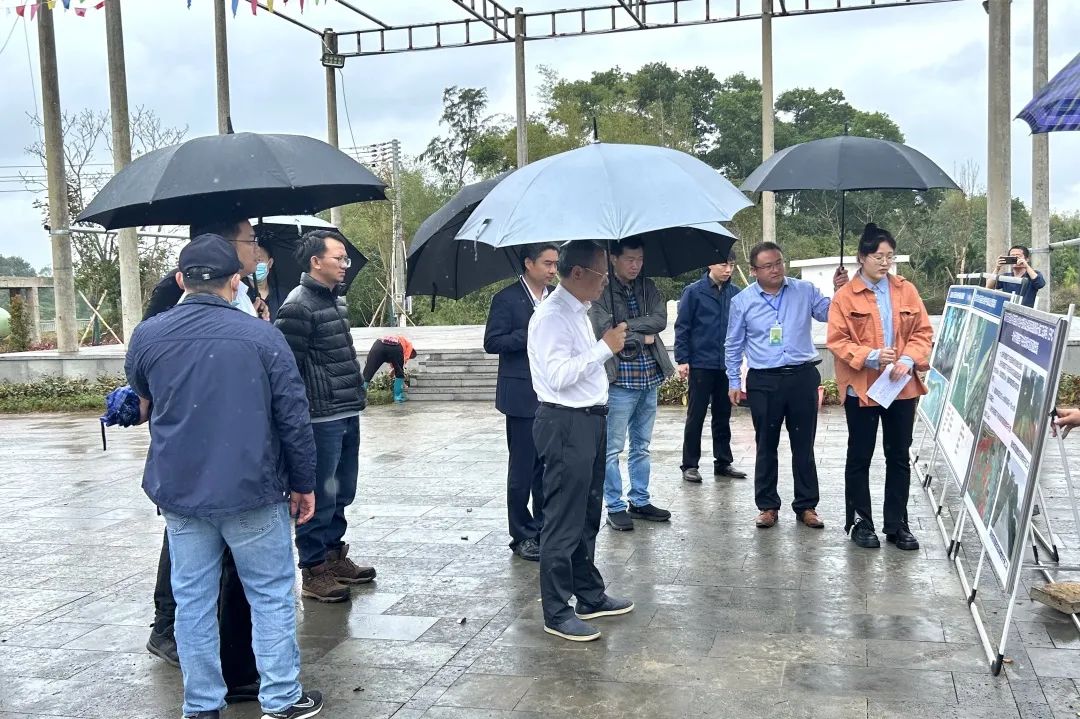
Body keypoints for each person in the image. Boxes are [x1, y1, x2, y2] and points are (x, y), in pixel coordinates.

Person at [125, 234, 323, 719]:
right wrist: (304, 483)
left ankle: (201, 705)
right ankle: (281, 698)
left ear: (181, 281)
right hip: (252, 489)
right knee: (270, 594)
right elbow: (293, 417)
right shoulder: (263, 337)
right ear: (235, 281)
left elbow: (143, 395)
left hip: (182, 493)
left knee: (193, 601)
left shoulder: (148, 336)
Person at [144, 218, 262, 704]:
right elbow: (150, 363)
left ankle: (231, 662)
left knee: (222, 554)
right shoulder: (171, 293)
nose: (258, 249)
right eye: (251, 241)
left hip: (238, 440)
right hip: (192, 441)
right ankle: (167, 627)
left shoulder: (250, 290)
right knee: (187, 545)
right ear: (229, 248)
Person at [528, 240, 635, 642]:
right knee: (563, 518)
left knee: (588, 512)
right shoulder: (552, 316)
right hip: (565, 423)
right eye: (601, 274)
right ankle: (556, 610)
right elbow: (558, 376)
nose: (605, 281)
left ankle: (588, 593)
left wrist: (604, 345)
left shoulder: (580, 311)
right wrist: (603, 348)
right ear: (577, 273)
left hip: (590, 420)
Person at [275, 230, 374, 603]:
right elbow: (287, 367)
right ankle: (314, 569)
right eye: (339, 258)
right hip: (320, 417)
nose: (345, 265)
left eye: (346, 258)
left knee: (342, 489)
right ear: (316, 262)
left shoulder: (337, 301)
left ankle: (334, 555)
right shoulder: (298, 305)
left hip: (346, 409)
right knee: (319, 492)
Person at [725, 241, 848, 529]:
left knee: (803, 445)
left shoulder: (804, 290)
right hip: (764, 380)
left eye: (779, 263)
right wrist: (733, 380)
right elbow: (733, 343)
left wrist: (840, 292)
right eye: (767, 266)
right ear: (754, 270)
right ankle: (767, 506)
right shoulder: (742, 301)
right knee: (766, 445)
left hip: (801, 377)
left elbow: (831, 315)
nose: (775, 270)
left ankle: (806, 506)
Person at [827, 223, 933, 551]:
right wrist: (870, 355)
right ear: (862, 257)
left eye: (890, 256)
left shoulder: (906, 290)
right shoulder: (845, 296)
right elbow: (837, 340)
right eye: (878, 256)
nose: (885, 263)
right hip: (862, 388)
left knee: (898, 455)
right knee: (860, 455)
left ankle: (897, 524)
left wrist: (909, 358)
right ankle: (861, 522)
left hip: (900, 386)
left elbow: (923, 332)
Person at [588, 238, 673, 530]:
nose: (636, 265)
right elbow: (603, 330)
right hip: (619, 379)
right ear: (614, 259)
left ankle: (640, 499)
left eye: (640, 259)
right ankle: (614, 505)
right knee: (612, 448)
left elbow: (660, 321)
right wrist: (642, 334)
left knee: (642, 445)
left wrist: (627, 326)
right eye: (629, 259)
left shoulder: (648, 287)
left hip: (650, 375)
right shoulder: (601, 290)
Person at [483, 243, 559, 561]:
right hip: (520, 397)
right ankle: (522, 534)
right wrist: (530, 331)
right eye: (547, 263)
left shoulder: (557, 298)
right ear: (529, 263)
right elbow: (492, 342)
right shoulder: (506, 298)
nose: (553, 270)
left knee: (547, 468)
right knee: (522, 471)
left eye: (555, 264)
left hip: (552, 394)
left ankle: (543, 528)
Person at [675, 253, 747, 483]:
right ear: (710, 264)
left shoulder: (735, 293)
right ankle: (690, 464)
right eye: (723, 265)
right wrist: (682, 359)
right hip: (701, 363)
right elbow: (682, 327)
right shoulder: (693, 292)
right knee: (696, 415)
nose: (728, 270)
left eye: (732, 265)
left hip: (726, 364)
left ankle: (723, 462)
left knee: (723, 414)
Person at [362, 335, 416, 403]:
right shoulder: (409, 345)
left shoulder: (397, 338)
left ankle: (361, 398)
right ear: (412, 352)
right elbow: (402, 362)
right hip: (395, 347)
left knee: (367, 373)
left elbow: (393, 367)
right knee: (399, 373)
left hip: (378, 345)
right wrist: (399, 374)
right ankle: (398, 398)